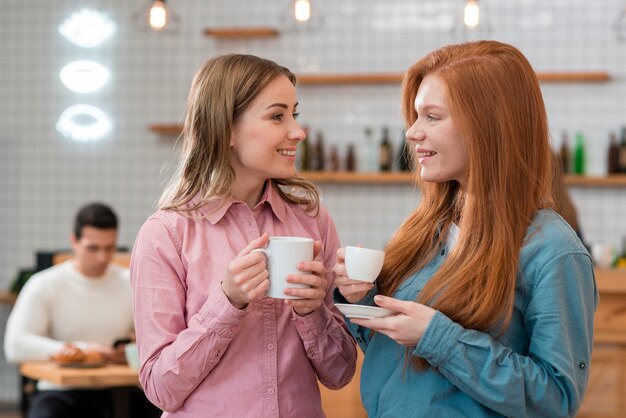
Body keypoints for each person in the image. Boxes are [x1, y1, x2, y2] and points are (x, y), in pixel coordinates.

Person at [333, 40, 598, 418]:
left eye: (432, 117)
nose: (411, 133)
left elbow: (553, 400)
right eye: (415, 116)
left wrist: (437, 337)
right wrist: (358, 298)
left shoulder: (553, 251)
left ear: (488, 125)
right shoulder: (424, 230)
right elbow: (399, 362)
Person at [130, 54, 357, 417]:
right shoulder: (166, 234)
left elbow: (340, 373)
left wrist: (313, 311)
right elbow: (160, 387)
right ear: (227, 130)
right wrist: (227, 302)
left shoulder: (313, 221)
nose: (297, 132)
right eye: (277, 116)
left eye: (294, 115)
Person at [4, 202, 161, 418]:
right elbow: (15, 345)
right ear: (74, 242)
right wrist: (83, 350)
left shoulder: (130, 283)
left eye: (109, 248)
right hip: (61, 392)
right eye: (93, 248)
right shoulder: (45, 283)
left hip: (120, 390)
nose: (102, 258)